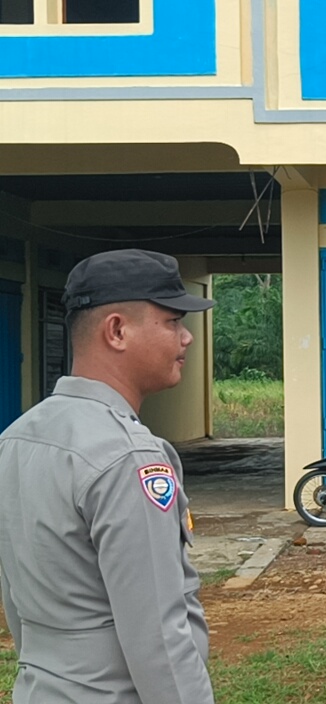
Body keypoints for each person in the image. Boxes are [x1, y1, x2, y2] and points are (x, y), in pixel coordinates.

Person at [0, 249, 217, 704]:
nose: (186, 338)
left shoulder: (17, 439)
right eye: (173, 321)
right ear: (117, 331)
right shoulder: (129, 456)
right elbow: (159, 635)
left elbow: (20, 608)